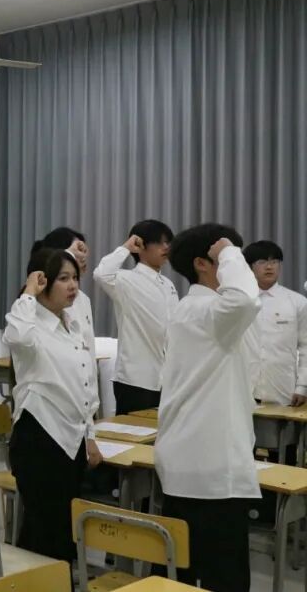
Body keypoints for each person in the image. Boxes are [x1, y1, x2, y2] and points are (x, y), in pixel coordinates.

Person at [155, 225, 260, 592]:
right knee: (222, 579)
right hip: (211, 473)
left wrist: (228, 253)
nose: (238, 265)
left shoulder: (195, 310)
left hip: (191, 463)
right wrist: (229, 250)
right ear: (202, 263)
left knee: (183, 576)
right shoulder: (208, 311)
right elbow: (245, 300)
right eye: (226, 259)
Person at [5, 248, 101, 561]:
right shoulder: (29, 325)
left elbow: (86, 384)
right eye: (63, 279)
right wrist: (28, 292)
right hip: (39, 438)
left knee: (62, 528)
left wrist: (90, 436)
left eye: (75, 278)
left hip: (71, 441)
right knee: (44, 530)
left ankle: (54, 579)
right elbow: (17, 336)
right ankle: (39, 580)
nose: (73, 285)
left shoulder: (73, 325)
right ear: (43, 281)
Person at [93, 220, 179, 415]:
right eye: (159, 242)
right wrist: (126, 247)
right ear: (140, 245)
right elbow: (101, 274)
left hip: (166, 378)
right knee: (132, 430)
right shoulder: (125, 280)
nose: (166, 247)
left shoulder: (168, 284)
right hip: (135, 379)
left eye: (168, 242)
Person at [243, 241, 307, 408]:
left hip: (283, 391)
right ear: (250, 267)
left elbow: (305, 346)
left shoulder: (297, 302)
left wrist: (302, 386)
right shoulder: (239, 303)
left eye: (274, 261)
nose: (269, 267)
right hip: (243, 390)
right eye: (262, 262)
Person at [32, 227, 94, 350]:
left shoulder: (84, 299)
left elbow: (89, 346)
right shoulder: (46, 299)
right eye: (77, 251)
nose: (83, 257)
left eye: (83, 251)